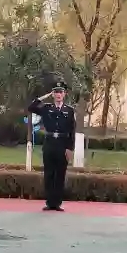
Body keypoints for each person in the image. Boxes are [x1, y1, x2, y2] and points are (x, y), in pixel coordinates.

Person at [27, 80, 77, 211]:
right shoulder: (46, 108)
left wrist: (70, 148)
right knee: (49, 174)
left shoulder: (69, 111)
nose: (58, 94)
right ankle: (50, 203)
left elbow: (72, 131)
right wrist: (44, 97)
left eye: (60, 92)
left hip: (62, 144)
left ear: (64, 94)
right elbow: (31, 107)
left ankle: (57, 203)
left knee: (60, 174)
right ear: (53, 94)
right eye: (56, 92)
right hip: (49, 144)